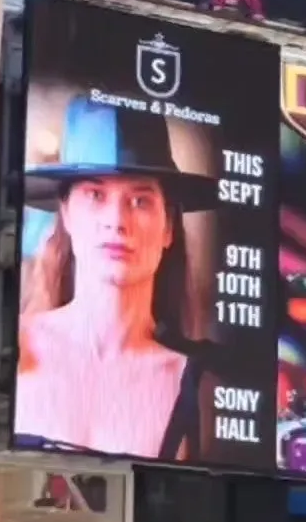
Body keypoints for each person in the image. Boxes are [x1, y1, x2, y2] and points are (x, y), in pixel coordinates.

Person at [14, 98, 217, 461]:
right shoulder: (12, 348)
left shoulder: (197, 383)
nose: (116, 221)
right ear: (67, 215)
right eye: (95, 195)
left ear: (169, 226)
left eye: (140, 200)